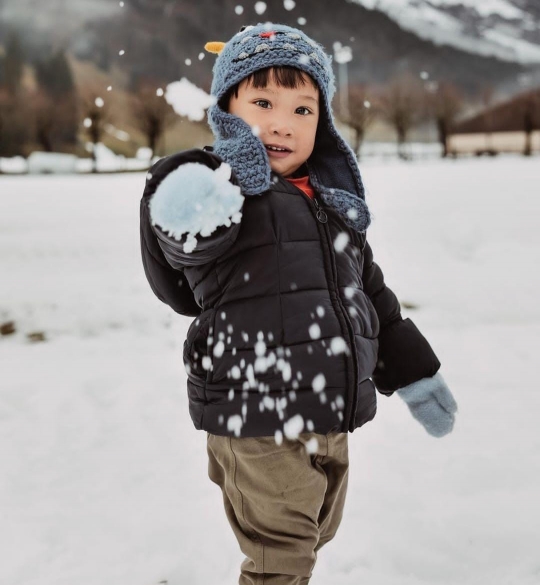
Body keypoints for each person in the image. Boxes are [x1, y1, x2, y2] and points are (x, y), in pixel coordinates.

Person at [139, 23, 458, 585]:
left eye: (303, 109)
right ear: (228, 109)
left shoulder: (335, 205)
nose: (282, 122)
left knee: (314, 534)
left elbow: (372, 297)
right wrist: (190, 206)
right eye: (261, 101)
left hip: (330, 413)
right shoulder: (218, 189)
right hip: (254, 411)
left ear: (323, 122)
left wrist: (416, 374)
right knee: (280, 559)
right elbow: (181, 265)